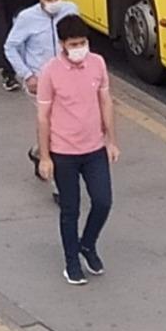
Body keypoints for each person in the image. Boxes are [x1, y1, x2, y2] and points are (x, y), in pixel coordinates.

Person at [35, 15, 119, 286]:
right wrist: (45, 157)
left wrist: (111, 140)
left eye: (83, 42)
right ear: (62, 45)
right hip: (64, 153)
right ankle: (72, 260)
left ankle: (88, 244)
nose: (80, 48)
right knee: (70, 209)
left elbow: (105, 101)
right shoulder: (50, 72)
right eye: (74, 44)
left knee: (103, 201)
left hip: (94, 148)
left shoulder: (97, 64)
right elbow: (43, 116)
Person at [5, 0, 78, 202]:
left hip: (67, 80)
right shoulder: (27, 19)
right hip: (41, 82)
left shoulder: (71, 10)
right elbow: (10, 47)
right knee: (56, 127)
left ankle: (39, 151)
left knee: (61, 126)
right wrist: (27, 75)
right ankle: (60, 186)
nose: (54, 3)